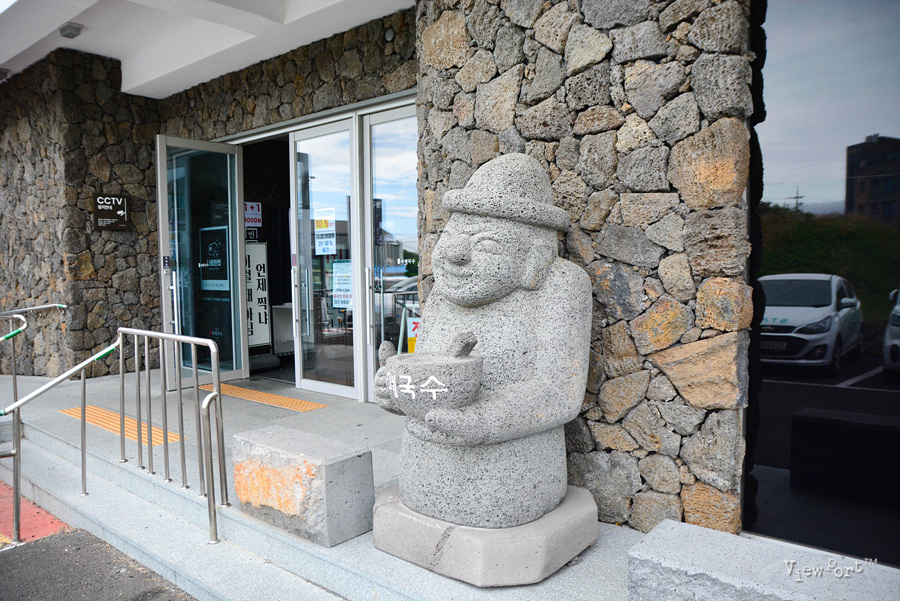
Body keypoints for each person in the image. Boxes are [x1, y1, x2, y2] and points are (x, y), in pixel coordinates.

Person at [374, 153, 591, 528]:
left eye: (487, 245)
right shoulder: (442, 294)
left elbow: (559, 391)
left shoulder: (560, 285)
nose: (455, 254)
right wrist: (400, 388)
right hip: (421, 465)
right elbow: (429, 370)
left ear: (534, 258)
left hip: (511, 476)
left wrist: (486, 420)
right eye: (451, 236)